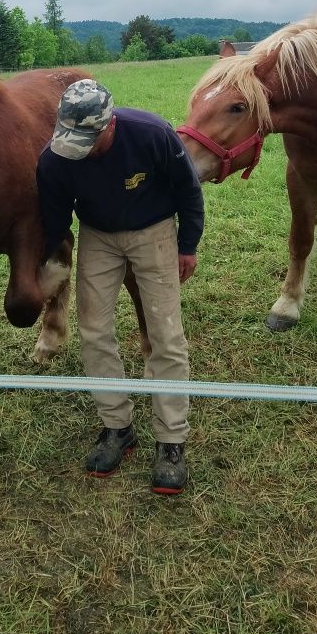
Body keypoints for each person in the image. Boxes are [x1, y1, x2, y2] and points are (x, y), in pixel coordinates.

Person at [36, 78, 204, 495]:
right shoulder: (56, 158)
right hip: (99, 235)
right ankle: (117, 427)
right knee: (94, 331)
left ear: (109, 125)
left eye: (88, 140)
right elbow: (55, 222)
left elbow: (189, 189)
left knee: (166, 334)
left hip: (155, 231)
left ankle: (171, 440)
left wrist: (187, 246)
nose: (80, 150)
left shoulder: (153, 134)